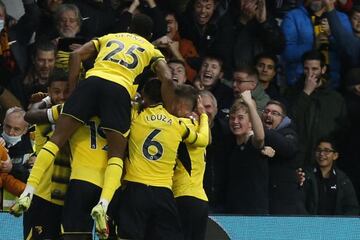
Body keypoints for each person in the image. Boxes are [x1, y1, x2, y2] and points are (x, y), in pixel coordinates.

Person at [12, 13, 173, 238]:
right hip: (111, 183)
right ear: (150, 35)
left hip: (77, 183)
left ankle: (28, 189)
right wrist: (170, 108)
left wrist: (69, 92)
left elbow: (31, 115)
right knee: (116, 154)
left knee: (57, 139)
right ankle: (104, 205)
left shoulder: (109, 38)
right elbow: (167, 77)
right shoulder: (134, 113)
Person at [115, 79, 209, 240]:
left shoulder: (138, 117)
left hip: (145, 189)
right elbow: (204, 140)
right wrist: (204, 116)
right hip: (176, 194)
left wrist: (136, 102)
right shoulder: (182, 124)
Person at [17, 68, 71, 240]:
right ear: (48, 91)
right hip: (41, 195)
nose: (61, 96)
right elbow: (29, 115)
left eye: (66, 91)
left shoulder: (77, 117)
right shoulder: (42, 117)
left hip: (68, 197)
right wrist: (46, 101)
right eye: (56, 91)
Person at [289, 50, 347, 167]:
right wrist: (306, 93)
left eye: (315, 69)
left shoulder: (335, 98)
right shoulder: (292, 93)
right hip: (298, 157)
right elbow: (290, 120)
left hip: (324, 159)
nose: (310, 73)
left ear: (323, 69)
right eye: (306, 69)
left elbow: (343, 129)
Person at [281, 0, 352, 88]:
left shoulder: (342, 18)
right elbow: (287, 53)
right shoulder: (293, 16)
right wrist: (313, 45)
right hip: (299, 82)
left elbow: (349, 54)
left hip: (332, 84)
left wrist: (331, 35)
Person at [172, 85, 210, 240]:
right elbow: (208, 138)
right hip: (201, 199)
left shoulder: (179, 125)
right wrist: (203, 115)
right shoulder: (200, 126)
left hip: (183, 195)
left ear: (179, 105)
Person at [225, 90, 267, 214]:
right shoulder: (230, 145)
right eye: (232, 118)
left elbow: (260, 137)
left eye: (240, 118)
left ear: (250, 123)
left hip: (255, 212)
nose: (235, 122)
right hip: (233, 211)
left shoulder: (251, 143)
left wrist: (249, 104)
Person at [261, 100, 306, 214]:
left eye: (274, 113)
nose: (268, 115)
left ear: (283, 119)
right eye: (266, 111)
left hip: (283, 202)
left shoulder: (289, 133)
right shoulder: (255, 134)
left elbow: (288, 148)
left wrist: (265, 132)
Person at [303, 138, 359, 215]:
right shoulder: (306, 175)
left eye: (326, 151)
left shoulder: (343, 180)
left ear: (335, 156)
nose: (321, 154)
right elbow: (298, 204)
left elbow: (352, 208)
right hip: (311, 225)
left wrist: (341, 225)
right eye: (318, 150)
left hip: (335, 225)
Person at [0, 107, 33, 183]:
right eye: (8, 127)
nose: (11, 132)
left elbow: (31, 178)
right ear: (4, 123)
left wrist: (12, 168)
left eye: (16, 129)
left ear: (25, 130)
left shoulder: (31, 147)